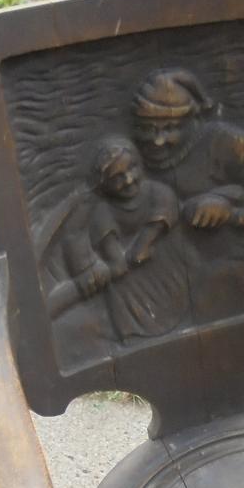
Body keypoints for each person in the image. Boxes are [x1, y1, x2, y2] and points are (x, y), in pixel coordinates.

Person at [130, 68, 244, 319]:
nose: (157, 141)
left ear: (192, 119)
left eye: (170, 128)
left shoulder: (226, 142)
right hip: (181, 250)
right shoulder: (138, 154)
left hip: (243, 246)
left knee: (211, 291)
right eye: (148, 128)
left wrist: (226, 198)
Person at [47, 136, 189, 342]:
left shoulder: (157, 192)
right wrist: (114, 263)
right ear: (105, 184)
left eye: (132, 169)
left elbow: (163, 216)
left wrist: (145, 243)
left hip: (166, 277)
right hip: (130, 296)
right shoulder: (103, 211)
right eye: (118, 177)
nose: (129, 180)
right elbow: (115, 256)